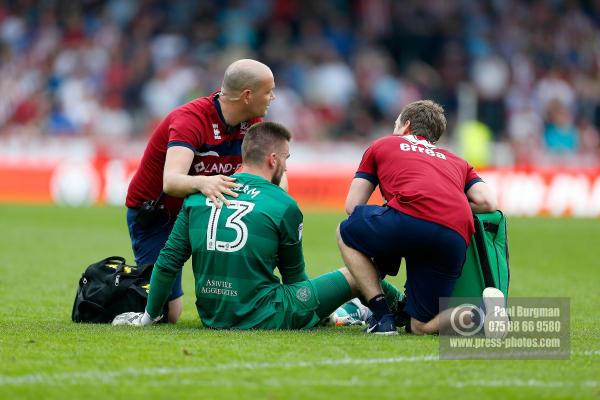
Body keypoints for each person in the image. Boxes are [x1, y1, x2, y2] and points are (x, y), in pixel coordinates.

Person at [114, 122, 405, 329]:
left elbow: (166, 263)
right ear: (273, 159)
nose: (287, 167)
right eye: (287, 159)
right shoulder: (283, 204)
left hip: (214, 315)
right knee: (358, 272)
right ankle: (408, 310)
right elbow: (294, 279)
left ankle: (347, 311)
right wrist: (318, 305)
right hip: (265, 314)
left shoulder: (200, 194)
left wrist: (148, 318)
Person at [125, 59, 277, 323]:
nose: (273, 97)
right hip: (157, 214)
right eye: (268, 91)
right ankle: (107, 296)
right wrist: (204, 182)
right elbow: (171, 181)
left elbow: (272, 175)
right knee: (167, 314)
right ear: (247, 96)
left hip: (200, 211)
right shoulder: (191, 119)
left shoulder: (254, 123)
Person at [337, 100, 499, 336]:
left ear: (406, 126)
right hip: (454, 233)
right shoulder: (456, 160)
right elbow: (488, 202)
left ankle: (382, 317)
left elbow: (352, 206)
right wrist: (446, 207)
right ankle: (482, 313)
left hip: (408, 219)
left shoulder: (384, 144)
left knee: (345, 232)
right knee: (420, 326)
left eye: (396, 124)